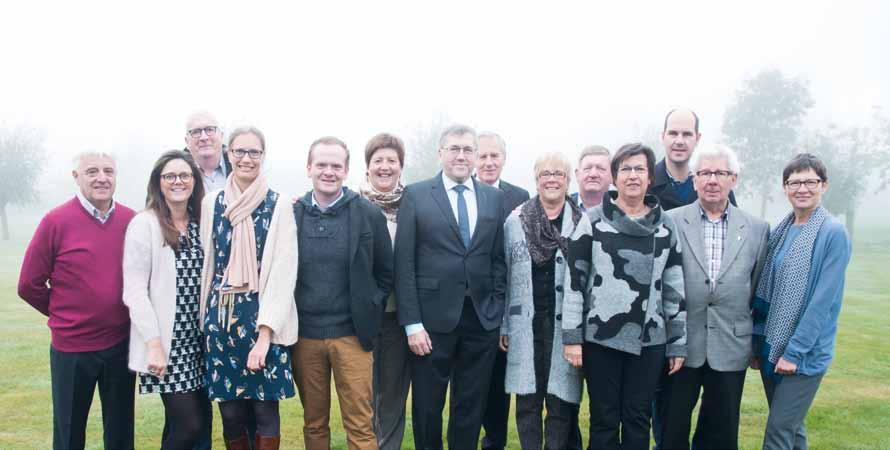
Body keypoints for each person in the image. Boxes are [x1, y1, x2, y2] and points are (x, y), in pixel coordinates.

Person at [563, 143, 687, 450]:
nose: (633, 176)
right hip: (600, 338)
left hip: (650, 341)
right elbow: (574, 282)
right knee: (604, 419)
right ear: (615, 177)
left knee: (637, 417)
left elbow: (674, 287)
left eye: (640, 169)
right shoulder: (592, 221)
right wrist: (572, 337)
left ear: (649, 178)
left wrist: (678, 342)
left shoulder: (665, 225)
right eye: (626, 169)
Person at [395, 124, 507, 450]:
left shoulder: (493, 197)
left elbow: (498, 260)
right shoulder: (416, 195)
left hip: (481, 320)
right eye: (454, 148)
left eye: (467, 149)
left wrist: (496, 308)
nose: (461, 155)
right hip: (430, 323)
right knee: (428, 406)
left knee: (470, 406)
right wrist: (412, 324)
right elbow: (405, 264)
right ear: (440, 153)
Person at [18, 151, 137, 450]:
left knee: (121, 434)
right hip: (72, 350)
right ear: (76, 177)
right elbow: (28, 284)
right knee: (69, 434)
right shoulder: (55, 221)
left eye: (108, 171)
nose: (102, 178)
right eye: (92, 171)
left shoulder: (130, 220)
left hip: (120, 346)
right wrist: (64, 313)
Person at [660, 144, 770, 450]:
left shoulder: (757, 230)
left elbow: (757, 285)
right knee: (672, 430)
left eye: (720, 173)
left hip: (731, 343)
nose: (712, 180)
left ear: (733, 179)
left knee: (721, 434)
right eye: (705, 173)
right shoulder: (670, 221)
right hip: (681, 345)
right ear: (694, 179)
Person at [199, 126, 299, 450]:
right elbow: (208, 265)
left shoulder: (278, 203)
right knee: (230, 414)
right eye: (239, 151)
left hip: (261, 320)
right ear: (229, 154)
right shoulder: (211, 203)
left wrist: (265, 335)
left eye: (253, 152)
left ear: (262, 156)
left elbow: (283, 272)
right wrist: (206, 321)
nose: (246, 158)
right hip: (222, 321)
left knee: (264, 408)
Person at [292, 136, 394, 450]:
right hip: (304, 337)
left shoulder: (368, 214)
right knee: (314, 424)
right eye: (321, 164)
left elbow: (385, 272)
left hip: (352, 336)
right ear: (309, 168)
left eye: (336, 165)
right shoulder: (292, 215)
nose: (328, 171)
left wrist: (370, 306)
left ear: (347, 170)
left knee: (361, 426)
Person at [752, 153, 851, 450]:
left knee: (778, 432)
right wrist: (758, 343)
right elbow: (767, 291)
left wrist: (794, 353)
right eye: (794, 182)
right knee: (792, 431)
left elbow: (823, 303)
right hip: (772, 346)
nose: (802, 188)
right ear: (785, 187)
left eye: (810, 181)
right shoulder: (780, 232)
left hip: (804, 355)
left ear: (824, 185)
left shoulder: (833, 233)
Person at [500, 151, 588, 450]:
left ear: (568, 179)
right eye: (545, 174)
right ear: (536, 180)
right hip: (525, 325)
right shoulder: (516, 221)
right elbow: (506, 276)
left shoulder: (581, 223)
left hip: (565, 326)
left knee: (560, 403)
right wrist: (504, 326)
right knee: (527, 402)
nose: (552, 179)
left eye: (558, 174)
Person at [123, 150, 209, 449]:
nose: (178, 181)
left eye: (184, 175)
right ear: (158, 183)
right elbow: (134, 290)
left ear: (194, 181)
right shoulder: (145, 224)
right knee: (188, 427)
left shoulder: (202, 223)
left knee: (197, 429)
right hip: (167, 345)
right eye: (170, 176)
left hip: (201, 343)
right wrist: (154, 345)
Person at [475, 131, 530, 450]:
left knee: (499, 381)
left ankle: (494, 440)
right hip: (468, 305)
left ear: (504, 159)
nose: (488, 162)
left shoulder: (519, 196)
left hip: (506, 304)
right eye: (483, 156)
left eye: (494, 156)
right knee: (470, 384)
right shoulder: (462, 194)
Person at [359, 133, 410, 450]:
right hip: (362, 318)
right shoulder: (353, 205)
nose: (385, 166)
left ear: (401, 167)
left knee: (392, 394)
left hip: (400, 318)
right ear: (367, 168)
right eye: (378, 160)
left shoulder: (415, 205)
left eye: (391, 160)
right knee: (363, 396)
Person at [649, 108, 737, 212]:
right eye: (673, 133)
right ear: (663, 136)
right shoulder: (646, 183)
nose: (679, 141)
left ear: (697, 138)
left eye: (687, 134)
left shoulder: (717, 184)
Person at [184, 111, 232, 191]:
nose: (204, 137)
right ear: (187, 141)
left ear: (221, 135)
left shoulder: (240, 167)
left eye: (210, 130)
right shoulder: (178, 176)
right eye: (196, 132)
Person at [571, 145, 612, 211]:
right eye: (587, 168)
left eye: (600, 169)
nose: (593, 174)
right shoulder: (560, 207)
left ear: (612, 176)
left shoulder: (623, 210)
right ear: (577, 175)